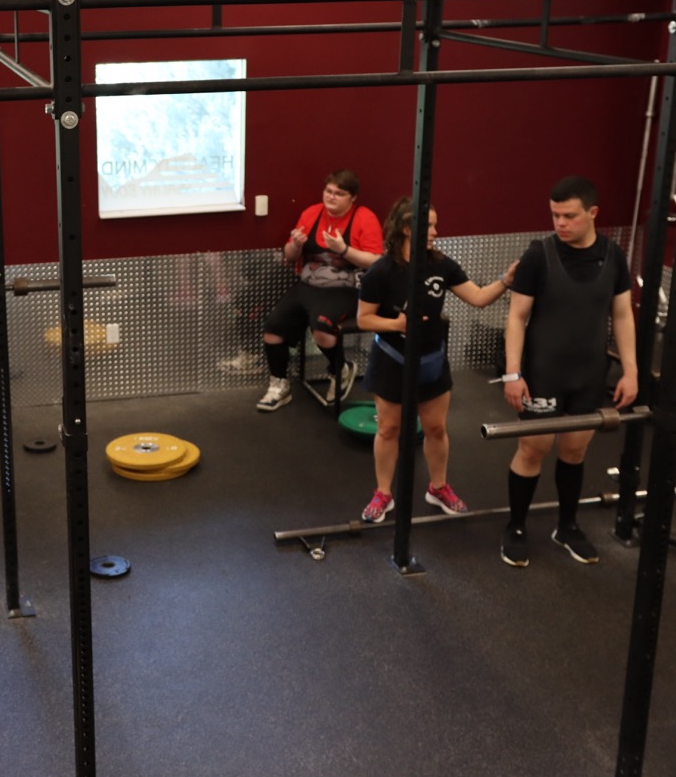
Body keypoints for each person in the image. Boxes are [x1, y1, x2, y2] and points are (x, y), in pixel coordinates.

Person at [500, 175, 637, 567]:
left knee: (575, 449)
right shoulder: (538, 255)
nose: (560, 223)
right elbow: (517, 316)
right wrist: (512, 373)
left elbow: (622, 314)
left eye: (569, 216)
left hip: (588, 373)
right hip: (542, 371)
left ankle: (567, 526)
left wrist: (630, 371)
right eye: (555, 215)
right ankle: (516, 527)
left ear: (593, 213)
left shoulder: (614, 256)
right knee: (534, 448)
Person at [356, 198, 517, 522]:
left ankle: (438, 487)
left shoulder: (442, 265)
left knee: (436, 427)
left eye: (434, 225)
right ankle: (383, 493)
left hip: (431, 359)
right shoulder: (381, 271)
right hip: (392, 359)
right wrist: (398, 325)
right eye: (428, 226)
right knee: (388, 429)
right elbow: (364, 319)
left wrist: (505, 280)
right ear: (407, 229)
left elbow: (478, 298)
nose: (435, 232)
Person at [257, 169, 383, 411]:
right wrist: (295, 245)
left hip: (346, 290)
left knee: (322, 330)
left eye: (339, 193)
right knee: (273, 329)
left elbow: (375, 262)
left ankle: (340, 369)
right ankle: (279, 386)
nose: (331, 196)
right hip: (308, 286)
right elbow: (289, 256)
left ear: (353, 198)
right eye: (328, 191)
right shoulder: (312, 213)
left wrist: (343, 250)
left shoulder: (364, 218)